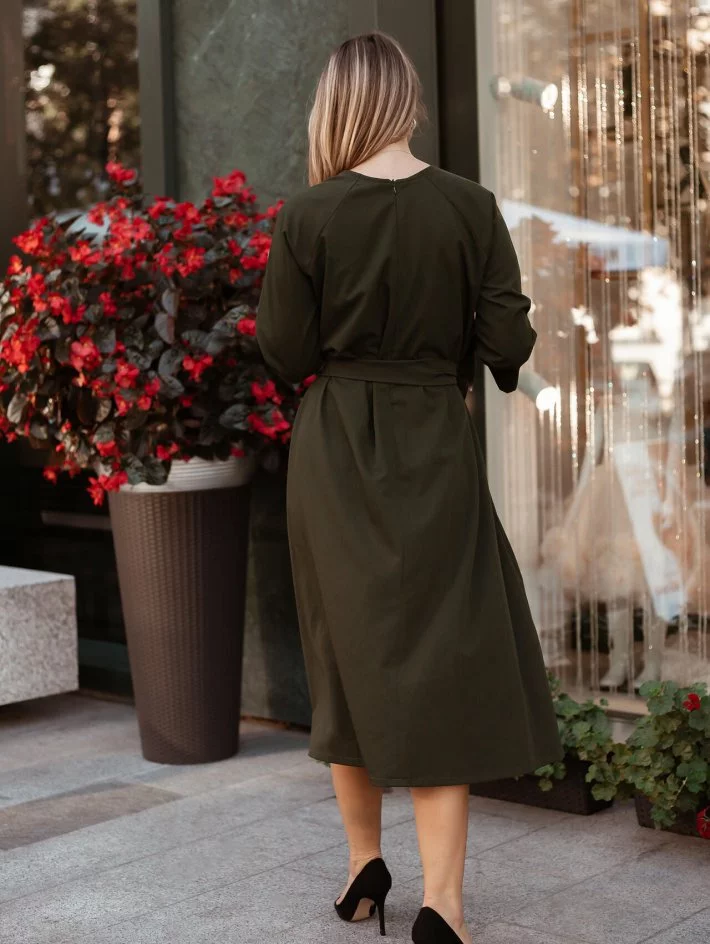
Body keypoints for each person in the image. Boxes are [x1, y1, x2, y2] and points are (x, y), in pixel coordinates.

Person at [257, 30, 563, 944]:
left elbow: (286, 352)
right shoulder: (471, 207)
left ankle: (365, 866)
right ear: (410, 101)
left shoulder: (307, 216)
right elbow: (508, 343)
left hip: (336, 450)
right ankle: (444, 906)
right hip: (435, 441)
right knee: (441, 659)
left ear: (335, 108)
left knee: (342, 652)